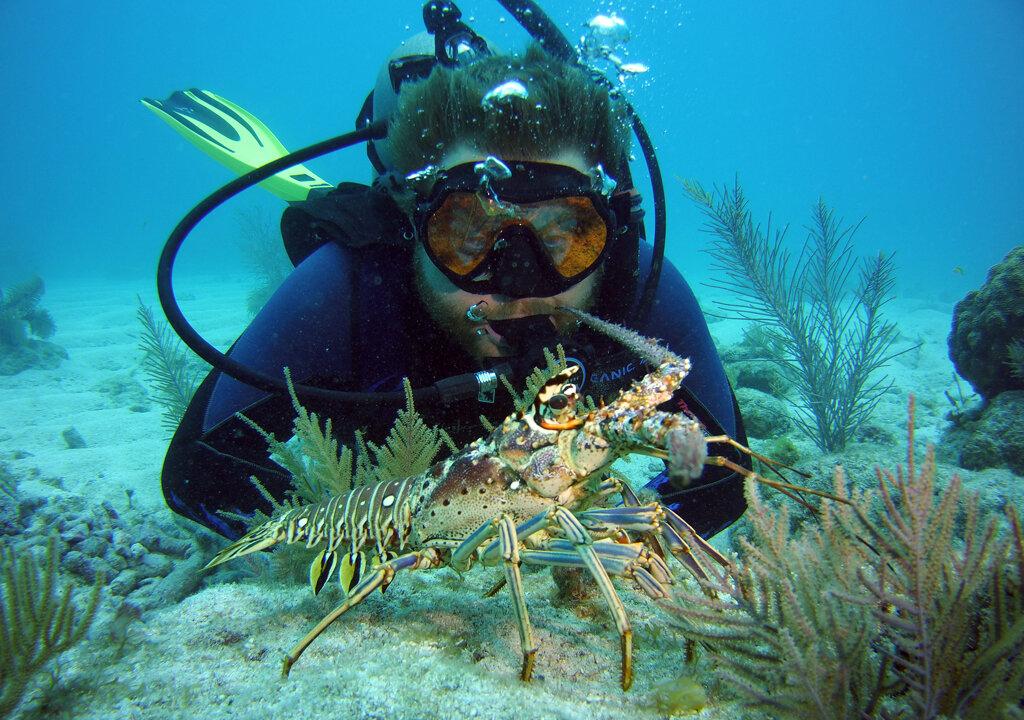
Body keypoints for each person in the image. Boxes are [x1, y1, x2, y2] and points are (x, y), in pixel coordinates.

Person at [159, 37, 751, 542]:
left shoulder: (640, 288)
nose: (517, 288)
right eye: (467, 235)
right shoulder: (346, 287)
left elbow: (718, 483)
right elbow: (199, 477)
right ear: (413, 227)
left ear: (611, 236)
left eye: (564, 237)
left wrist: (610, 528)